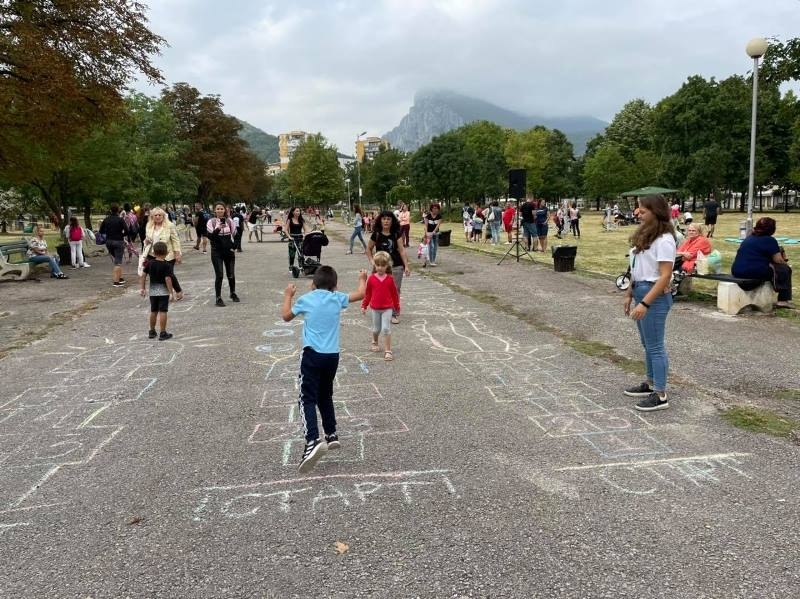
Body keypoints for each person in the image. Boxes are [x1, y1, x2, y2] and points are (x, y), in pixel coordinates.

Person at [281, 265, 368, 473]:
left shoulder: (306, 299)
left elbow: (286, 316)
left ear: (313, 285)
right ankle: (331, 433)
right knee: (325, 394)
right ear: (334, 286)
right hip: (332, 357)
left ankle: (312, 440)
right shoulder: (337, 298)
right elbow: (361, 293)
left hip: (312, 355)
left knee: (306, 399)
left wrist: (288, 295)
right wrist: (363, 277)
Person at [622, 195, 677, 412]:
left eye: (643, 211)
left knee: (655, 346)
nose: (639, 214)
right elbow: (636, 267)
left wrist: (644, 303)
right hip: (640, 289)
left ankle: (660, 394)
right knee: (647, 343)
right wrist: (629, 293)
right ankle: (651, 382)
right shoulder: (647, 235)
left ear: (656, 212)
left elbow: (665, 276)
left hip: (654, 296)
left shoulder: (664, 240)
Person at [732, 217, 793, 309]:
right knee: (785, 269)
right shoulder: (770, 240)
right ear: (772, 229)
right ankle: (783, 301)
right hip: (753, 274)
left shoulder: (749, 238)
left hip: (737, 272)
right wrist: (786, 264)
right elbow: (779, 260)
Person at [366, 210, 410, 324]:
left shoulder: (396, 233)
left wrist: (406, 266)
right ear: (380, 220)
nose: (386, 221)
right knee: (378, 289)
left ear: (392, 221)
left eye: (388, 219)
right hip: (380, 266)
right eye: (384, 219)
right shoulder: (376, 234)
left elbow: (402, 250)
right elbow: (368, 249)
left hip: (396, 265)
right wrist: (372, 262)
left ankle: (394, 314)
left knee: (395, 290)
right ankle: (380, 310)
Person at [361, 251, 401, 361]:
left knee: (386, 328)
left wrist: (397, 307)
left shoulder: (390, 279)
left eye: (383, 265)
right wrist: (364, 305)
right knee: (376, 329)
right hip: (375, 308)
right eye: (377, 265)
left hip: (387, 308)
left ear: (387, 265)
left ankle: (388, 350)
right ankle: (375, 341)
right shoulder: (371, 279)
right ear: (374, 265)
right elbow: (368, 294)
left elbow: (394, 294)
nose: (380, 268)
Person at [142, 207, 184, 300]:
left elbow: (175, 240)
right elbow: (146, 239)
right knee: (155, 275)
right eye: (155, 215)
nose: (157, 217)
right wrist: (146, 241)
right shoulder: (149, 225)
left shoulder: (170, 225)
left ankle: (178, 291)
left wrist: (177, 253)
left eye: (159, 215)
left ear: (163, 216)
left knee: (169, 274)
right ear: (152, 217)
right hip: (152, 254)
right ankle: (159, 293)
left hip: (167, 254)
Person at [138, 241, 175, 340]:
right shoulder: (167, 265)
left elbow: (143, 275)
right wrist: (171, 292)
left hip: (153, 290)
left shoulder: (149, 263)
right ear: (167, 253)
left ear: (154, 252)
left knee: (153, 311)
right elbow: (168, 279)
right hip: (163, 290)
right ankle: (163, 332)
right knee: (163, 311)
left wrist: (142, 288)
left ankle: (152, 331)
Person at [207, 202, 239, 307]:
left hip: (228, 251)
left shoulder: (229, 221)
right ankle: (218, 297)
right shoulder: (211, 222)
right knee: (219, 275)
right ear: (214, 210)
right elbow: (211, 237)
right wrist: (218, 228)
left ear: (225, 210)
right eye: (218, 209)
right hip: (216, 252)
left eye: (222, 208)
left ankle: (232, 293)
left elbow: (236, 235)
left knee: (231, 274)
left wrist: (234, 246)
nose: (220, 210)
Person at [99, 204, 128, 287]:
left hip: (109, 241)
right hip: (118, 241)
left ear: (110, 210)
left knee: (116, 259)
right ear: (118, 210)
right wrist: (122, 235)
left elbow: (101, 231)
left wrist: (108, 233)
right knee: (118, 262)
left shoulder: (106, 220)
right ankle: (116, 282)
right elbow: (127, 230)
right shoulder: (120, 220)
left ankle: (120, 277)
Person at [286, 206, 309, 273]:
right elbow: (286, 230)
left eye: (299, 211)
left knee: (301, 254)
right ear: (293, 212)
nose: (298, 212)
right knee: (292, 254)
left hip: (300, 238)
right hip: (292, 239)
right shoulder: (290, 220)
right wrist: (289, 237)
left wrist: (305, 235)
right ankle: (291, 267)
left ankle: (301, 267)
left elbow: (306, 229)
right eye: (297, 211)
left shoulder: (301, 220)